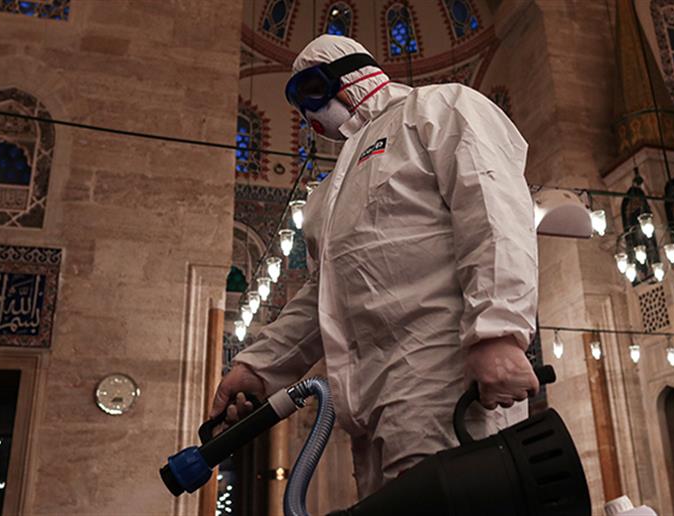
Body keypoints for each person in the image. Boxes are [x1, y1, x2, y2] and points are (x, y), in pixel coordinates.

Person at [214, 34, 538, 498]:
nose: (308, 118)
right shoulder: (329, 193)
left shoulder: (438, 108)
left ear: (342, 79)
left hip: (446, 384)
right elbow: (324, 294)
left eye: (307, 94)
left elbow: (492, 212)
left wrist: (499, 335)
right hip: (368, 408)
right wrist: (259, 367)